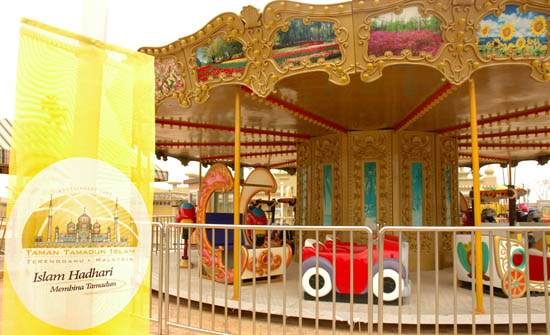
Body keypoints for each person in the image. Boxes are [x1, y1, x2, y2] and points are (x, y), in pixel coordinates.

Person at [176, 202, 196, 268]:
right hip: (190, 224)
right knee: (186, 240)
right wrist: (193, 229)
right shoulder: (192, 212)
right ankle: (185, 256)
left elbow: (177, 219)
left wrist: (178, 227)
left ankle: (185, 256)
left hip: (183, 224)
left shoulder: (180, 211)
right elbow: (195, 220)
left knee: (185, 240)